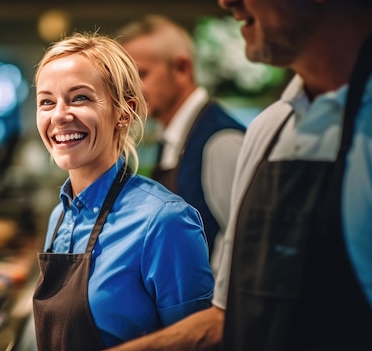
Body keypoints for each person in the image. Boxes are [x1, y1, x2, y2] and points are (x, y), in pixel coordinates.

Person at [106, 0, 372, 350]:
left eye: (140, 74)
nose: (225, 2)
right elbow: (230, 311)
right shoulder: (269, 128)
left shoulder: (221, 140)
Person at [32, 31, 214, 351]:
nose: (59, 115)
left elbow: (198, 341)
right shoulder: (59, 216)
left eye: (80, 98)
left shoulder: (164, 220)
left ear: (124, 112)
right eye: (47, 101)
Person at [115, 15, 246, 264]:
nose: (128, 92)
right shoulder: (172, 138)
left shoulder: (221, 140)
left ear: (182, 69)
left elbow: (245, 248)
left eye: (141, 74)